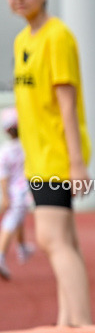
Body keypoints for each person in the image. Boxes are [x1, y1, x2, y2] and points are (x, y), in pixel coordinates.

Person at [4, 0, 92, 326]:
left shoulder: (57, 36)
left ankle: (83, 328)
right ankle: (66, 324)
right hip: (36, 158)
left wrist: (76, 162)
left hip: (56, 156)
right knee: (65, 242)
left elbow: (67, 105)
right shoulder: (23, 40)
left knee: (50, 240)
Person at [0, 107, 34, 280]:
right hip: (22, 192)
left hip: (13, 192)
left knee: (17, 218)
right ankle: (1, 255)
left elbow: (4, 177)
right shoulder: (27, 146)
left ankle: (22, 248)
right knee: (10, 221)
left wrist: (5, 195)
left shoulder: (5, 151)